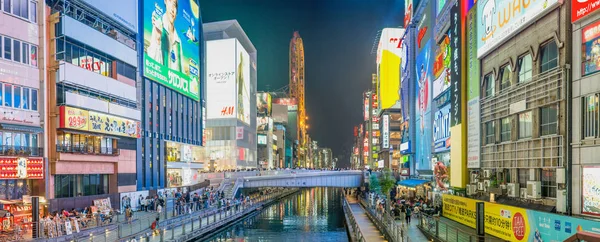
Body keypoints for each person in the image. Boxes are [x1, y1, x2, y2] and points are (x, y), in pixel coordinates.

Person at [146, 0, 184, 72]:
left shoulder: (178, 41)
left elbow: (182, 73)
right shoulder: (158, 26)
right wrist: (157, 40)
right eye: (170, 2)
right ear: (165, 2)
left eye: (174, 4)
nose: (172, 9)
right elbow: (150, 67)